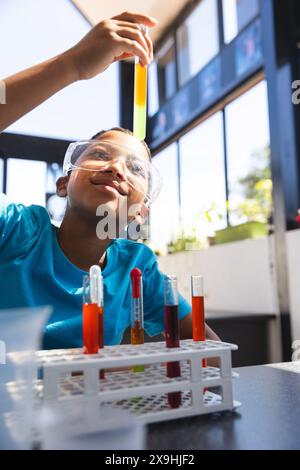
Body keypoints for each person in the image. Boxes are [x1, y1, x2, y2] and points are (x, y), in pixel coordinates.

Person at [0, 11, 219, 348]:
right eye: (100, 154)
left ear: (141, 213)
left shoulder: (136, 269)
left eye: (136, 169)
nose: (117, 167)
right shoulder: (18, 232)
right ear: (63, 184)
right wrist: (72, 65)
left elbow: (207, 348)